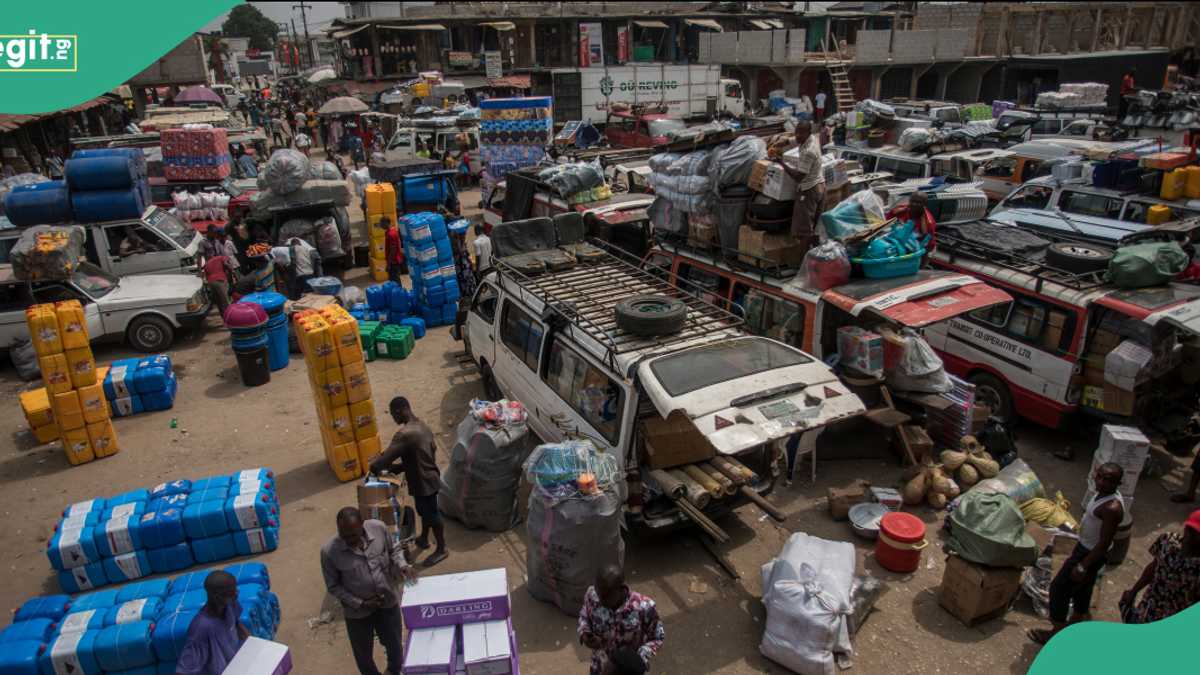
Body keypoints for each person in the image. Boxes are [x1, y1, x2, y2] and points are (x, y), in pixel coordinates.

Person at [1029, 463, 1125, 645]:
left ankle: (1056, 632)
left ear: (1118, 483)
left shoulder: (1112, 508)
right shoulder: (1101, 494)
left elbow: (1104, 543)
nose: (1102, 482)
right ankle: (1077, 621)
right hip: (1085, 547)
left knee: (1059, 588)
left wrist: (1083, 565)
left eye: (1109, 480)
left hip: (1089, 553)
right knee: (1083, 589)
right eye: (1100, 477)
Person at [320, 507, 416, 675]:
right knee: (363, 656)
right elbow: (333, 586)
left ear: (362, 525)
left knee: (394, 644)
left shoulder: (378, 528)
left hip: (387, 601)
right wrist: (360, 603)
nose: (349, 539)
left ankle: (394, 671)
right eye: (344, 535)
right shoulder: (329, 552)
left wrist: (403, 565)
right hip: (357, 613)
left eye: (353, 535)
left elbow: (394, 550)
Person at [369, 397, 448, 568]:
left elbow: (380, 464)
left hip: (423, 481)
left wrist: (375, 465)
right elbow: (425, 453)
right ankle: (424, 538)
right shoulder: (422, 426)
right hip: (430, 476)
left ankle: (442, 549)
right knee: (424, 511)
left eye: (392, 414)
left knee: (432, 515)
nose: (393, 419)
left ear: (399, 411)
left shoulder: (404, 434)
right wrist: (401, 467)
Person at [577, 565, 665, 675]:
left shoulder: (644, 607)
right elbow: (584, 615)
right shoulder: (592, 595)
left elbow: (658, 637)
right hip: (599, 667)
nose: (600, 600)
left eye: (606, 596)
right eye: (598, 593)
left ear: (621, 588)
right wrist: (585, 632)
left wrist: (637, 659)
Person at [1120, 509, 1200, 624]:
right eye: (1190, 529)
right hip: (1148, 609)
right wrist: (1134, 591)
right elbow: (1153, 567)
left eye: (1197, 534)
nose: (1190, 536)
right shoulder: (1168, 542)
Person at [175, 571, 249, 675]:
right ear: (218, 597)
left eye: (236, 589)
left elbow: (237, 624)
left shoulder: (230, 604)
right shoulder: (201, 629)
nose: (236, 594)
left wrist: (253, 644)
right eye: (232, 592)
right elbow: (183, 672)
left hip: (237, 665)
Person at [776, 120, 825, 256]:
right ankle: (817, 255)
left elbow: (798, 177)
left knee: (804, 230)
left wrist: (780, 162)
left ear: (808, 133)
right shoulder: (813, 138)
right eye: (796, 131)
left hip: (809, 190)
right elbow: (797, 139)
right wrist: (784, 142)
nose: (797, 135)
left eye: (800, 133)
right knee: (814, 226)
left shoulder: (808, 152)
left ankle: (803, 262)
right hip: (819, 184)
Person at [202, 252, 235, 320]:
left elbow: (205, 276)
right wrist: (232, 270)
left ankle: (224, 318)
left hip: (211, 283)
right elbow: (226, 264)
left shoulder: (207, 263)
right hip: (220, 280)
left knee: (219, 302)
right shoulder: (222, 257)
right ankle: (231, 318)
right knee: (226, 301)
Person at [382, 217, 405, 282]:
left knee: (395, 280)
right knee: (394, 280)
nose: (381, 226)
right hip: (393, 260)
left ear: (386, 223)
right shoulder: (391, 232)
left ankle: (398, 291)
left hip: (394, 261)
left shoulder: (391, 234)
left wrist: (389, 263)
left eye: (382, 223)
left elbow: (393, 250)